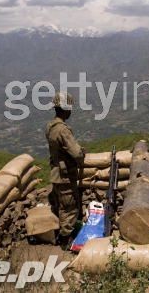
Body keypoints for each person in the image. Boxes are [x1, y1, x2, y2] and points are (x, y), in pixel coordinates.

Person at [45, 92, 85, 248]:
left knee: (61, 206)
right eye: (69, 109)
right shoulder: (63, 130)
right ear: (65, 109)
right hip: (65, 176)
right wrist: (82, 153)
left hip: (56, 173)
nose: (70, 112)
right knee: (69, 207)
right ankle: (65, 240)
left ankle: (62, 234)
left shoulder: (50, 127)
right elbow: (76, 153)